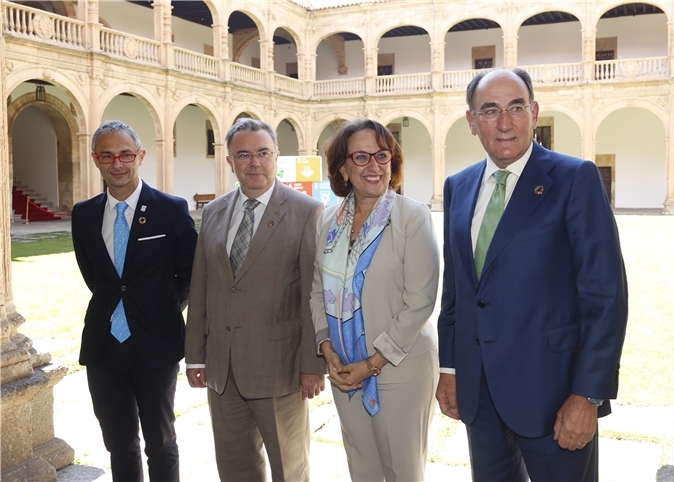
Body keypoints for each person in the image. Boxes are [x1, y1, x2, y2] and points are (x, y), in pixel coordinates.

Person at [436, 68, 628, 481]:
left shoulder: (574, 178)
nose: (505, 123)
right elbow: (456, 292)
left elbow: (605, 296)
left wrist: (588, 396)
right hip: (479, 394)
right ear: (471, 121)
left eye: (516, 107)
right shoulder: (458, 186)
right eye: (490, 110)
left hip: (554, 397)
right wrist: (450, 369)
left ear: (534, 112)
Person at [184, 118, 326, 481]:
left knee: (289, 469)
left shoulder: (305, 211)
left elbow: (314, 293)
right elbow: (202, 287)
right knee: (235, 469)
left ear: (276, 156)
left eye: (263, 153)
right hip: (222, 370)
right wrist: (195, 356)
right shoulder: (214, 212)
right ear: (229, 161)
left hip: (279, 369)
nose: (254, 162)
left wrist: (313, 364)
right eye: (243, 154)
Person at [310, 118, 440, 481]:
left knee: (402, 472)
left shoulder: (411, 217)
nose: (374, 166)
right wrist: (327, 348)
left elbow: (420, 301)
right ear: (343, 167)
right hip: (345, 370)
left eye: (382, 155)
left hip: (401, 369)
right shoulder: (327, 222)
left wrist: (372, 363)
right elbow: (316, 290)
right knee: (362, 470)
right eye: (362, 156)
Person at [71, 120, 198, 482]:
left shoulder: (170, 209)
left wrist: (163, 311)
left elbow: (189, 272)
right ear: (95, 159)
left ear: (140, 155)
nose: (117, 163)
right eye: (107, 155)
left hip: (155, 344)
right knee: (119, 443)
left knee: (160, 442)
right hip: (103, 346)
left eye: (126, 154)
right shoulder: (84, 214)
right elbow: (94, 276)